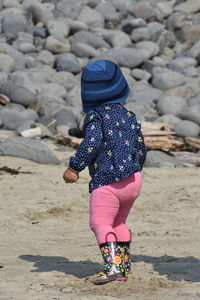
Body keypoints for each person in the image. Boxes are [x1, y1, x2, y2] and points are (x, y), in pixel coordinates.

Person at [63, 59, 147, 284]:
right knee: (118, 223)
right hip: (133, 180)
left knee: (100, 223)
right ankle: (123, 265)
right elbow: (140, 145)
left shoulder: (96, 117)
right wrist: (135, 168)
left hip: (108, 183)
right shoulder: (129, 116)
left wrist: (74, 167)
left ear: (87, 95)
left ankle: (113, 267)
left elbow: (92, 143)